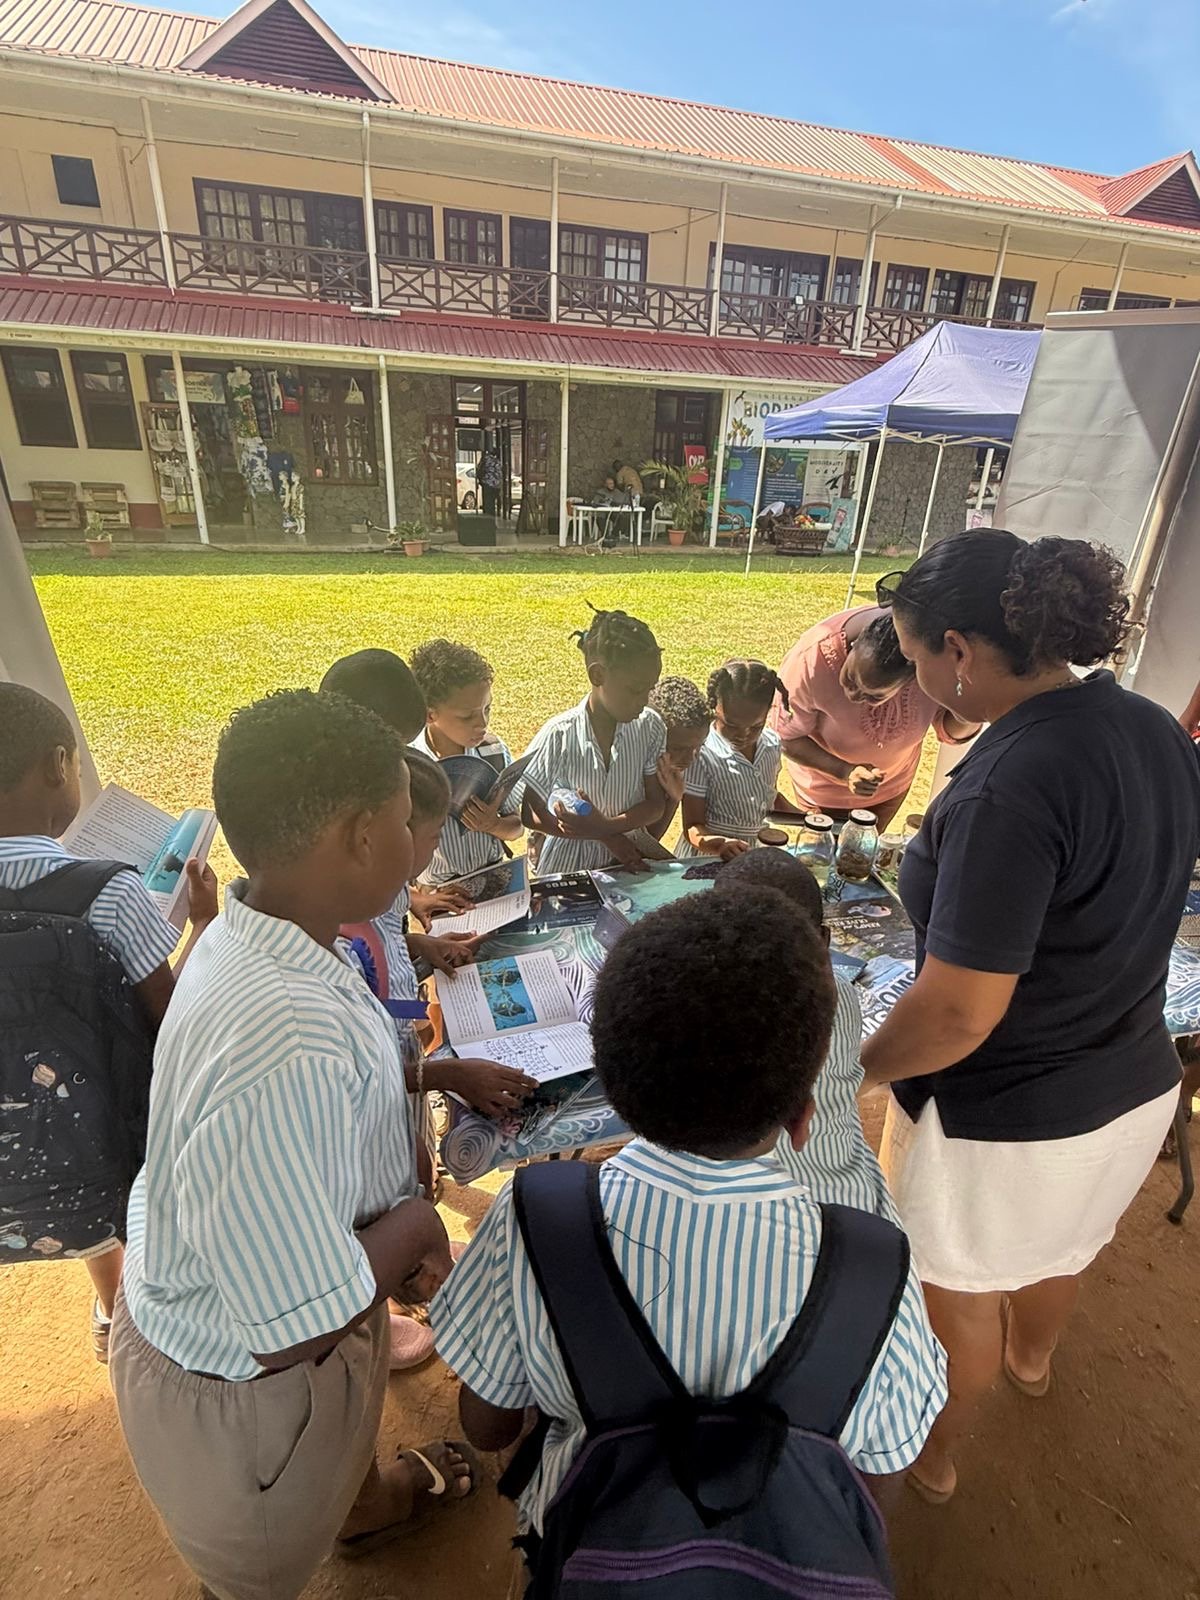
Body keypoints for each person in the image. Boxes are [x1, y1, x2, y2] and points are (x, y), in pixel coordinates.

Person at [432, 889, 947, 1547]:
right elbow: (881, 1475)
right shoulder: (875, 1268)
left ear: (614, 1095)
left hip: (589, 1554)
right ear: (802, 1118)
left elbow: (488, 1426)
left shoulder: (536, 1219)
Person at [110, 690, 477, 1600]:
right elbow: (295, 1330)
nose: (410, 839)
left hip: (258, 1321)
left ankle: (366, 1506)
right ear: (358, 837)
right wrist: (414, 1229)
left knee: (336, 1456)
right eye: (402, 821)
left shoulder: (255, 937)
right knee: (256, 1578)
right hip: (241, 1404)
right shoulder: (284, 1034)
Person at [861, 531, 1200, 1506]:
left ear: (958, 650)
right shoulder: (1150, 728)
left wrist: (855, 1069)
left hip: (1005, 1118)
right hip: (1130, 1087)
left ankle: (932, 1454)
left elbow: (961, 1012)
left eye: (917, 653)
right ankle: (1035, 1361)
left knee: (954, 1292)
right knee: (1061, 1247)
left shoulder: (1009, 784)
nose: (918, 677)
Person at [0, 682, 217, 1361]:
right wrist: (203, 923)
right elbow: (169, 1018)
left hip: (12, 1163)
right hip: (112, 1150)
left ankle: (110, 1300)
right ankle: (137, 1309)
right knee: (106, 1165)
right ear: (59, 765)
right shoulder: (109, 890)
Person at [341, 747, 536, 1373]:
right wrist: (445, 1073)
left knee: (411, 1170)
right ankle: (388, 1304)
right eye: (422, 833)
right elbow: (355, 1076)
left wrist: (421, 945)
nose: (424, 851)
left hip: (400, 1072)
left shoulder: (376, 896)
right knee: (375, 1212)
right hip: (377, 1110)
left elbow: (388, 951)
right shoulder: (335, 941)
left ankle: (408, 1264)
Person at [714, 848, 899, 1222]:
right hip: (851, 1203)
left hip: (743, 1213)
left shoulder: (710, 1014)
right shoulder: (842, 993)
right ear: (823, 941)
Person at [320, 648, 473, 976]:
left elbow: (378, 942)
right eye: (391, 750)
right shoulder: (336, 876)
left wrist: (412, 914)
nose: (399, 765)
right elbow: (359, 956)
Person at [772, 607, 980, 829]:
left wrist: (970, 707)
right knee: (822, 856)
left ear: (914, 675)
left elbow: (949, 731)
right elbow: (786, 737)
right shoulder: (811, 661)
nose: (853, 694)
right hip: (823, 793)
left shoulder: (934, 664)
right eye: (850, 676)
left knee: (865, 855)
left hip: (894, 787)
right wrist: (844, 771)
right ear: (855, 644)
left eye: (873, 696)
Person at [518, 606, 665, 876]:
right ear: (597, 675)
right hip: (567, 869)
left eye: (650, 688)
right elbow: (529, 813)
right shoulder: (559, 734)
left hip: (627, 865)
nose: (644, 701)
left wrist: (606, 828)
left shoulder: (650, 727)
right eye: (635, 690)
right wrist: (602, 836)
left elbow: (656, 804)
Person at [409, 638, 523, 883]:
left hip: (494, 881)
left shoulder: (493, 751)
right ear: (430, 714)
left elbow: (517, 827)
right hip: (438, 894)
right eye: (466, 716)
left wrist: (493, 825)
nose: (482, 723)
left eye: (487, 709)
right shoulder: (411, 765)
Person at [679, 659, 803, 859]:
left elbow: (769, 797)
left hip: (755, 853)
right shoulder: (702, 754)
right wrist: (719, 846)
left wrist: (808, 819)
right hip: (708, 858)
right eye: (731, 725)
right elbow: (693, 826)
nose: (743, 735)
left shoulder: (771, 745)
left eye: (756, 726)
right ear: (714, 708)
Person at [645, 675, 711, 843]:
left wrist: (674, 798)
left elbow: (649, 841)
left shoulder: (668, 773)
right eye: (678, 749)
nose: (690, 759)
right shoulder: (628, 766)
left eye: (698, 747)